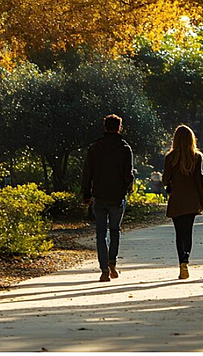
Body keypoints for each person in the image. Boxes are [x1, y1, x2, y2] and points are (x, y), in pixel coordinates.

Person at [81, 114, 134, 282]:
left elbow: (87, 172)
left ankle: (103, 269)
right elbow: (129, 175)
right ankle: (112, 262)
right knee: (115, 231)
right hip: (117, 197)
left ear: (105, 127)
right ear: (119, 127)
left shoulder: (95, 147)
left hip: (99, 195)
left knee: (100, 233)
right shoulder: (125, 148)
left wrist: (86, 194)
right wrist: (126, 190)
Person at [162, 125, 203, 280]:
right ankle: (186, 260)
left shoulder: (170, 157)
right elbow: (199, 181)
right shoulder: (197, 157)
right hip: (191, 200)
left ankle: (181, 262)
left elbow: (164, 180)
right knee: (188, 232)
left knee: (179, 234)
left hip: (176, 200)